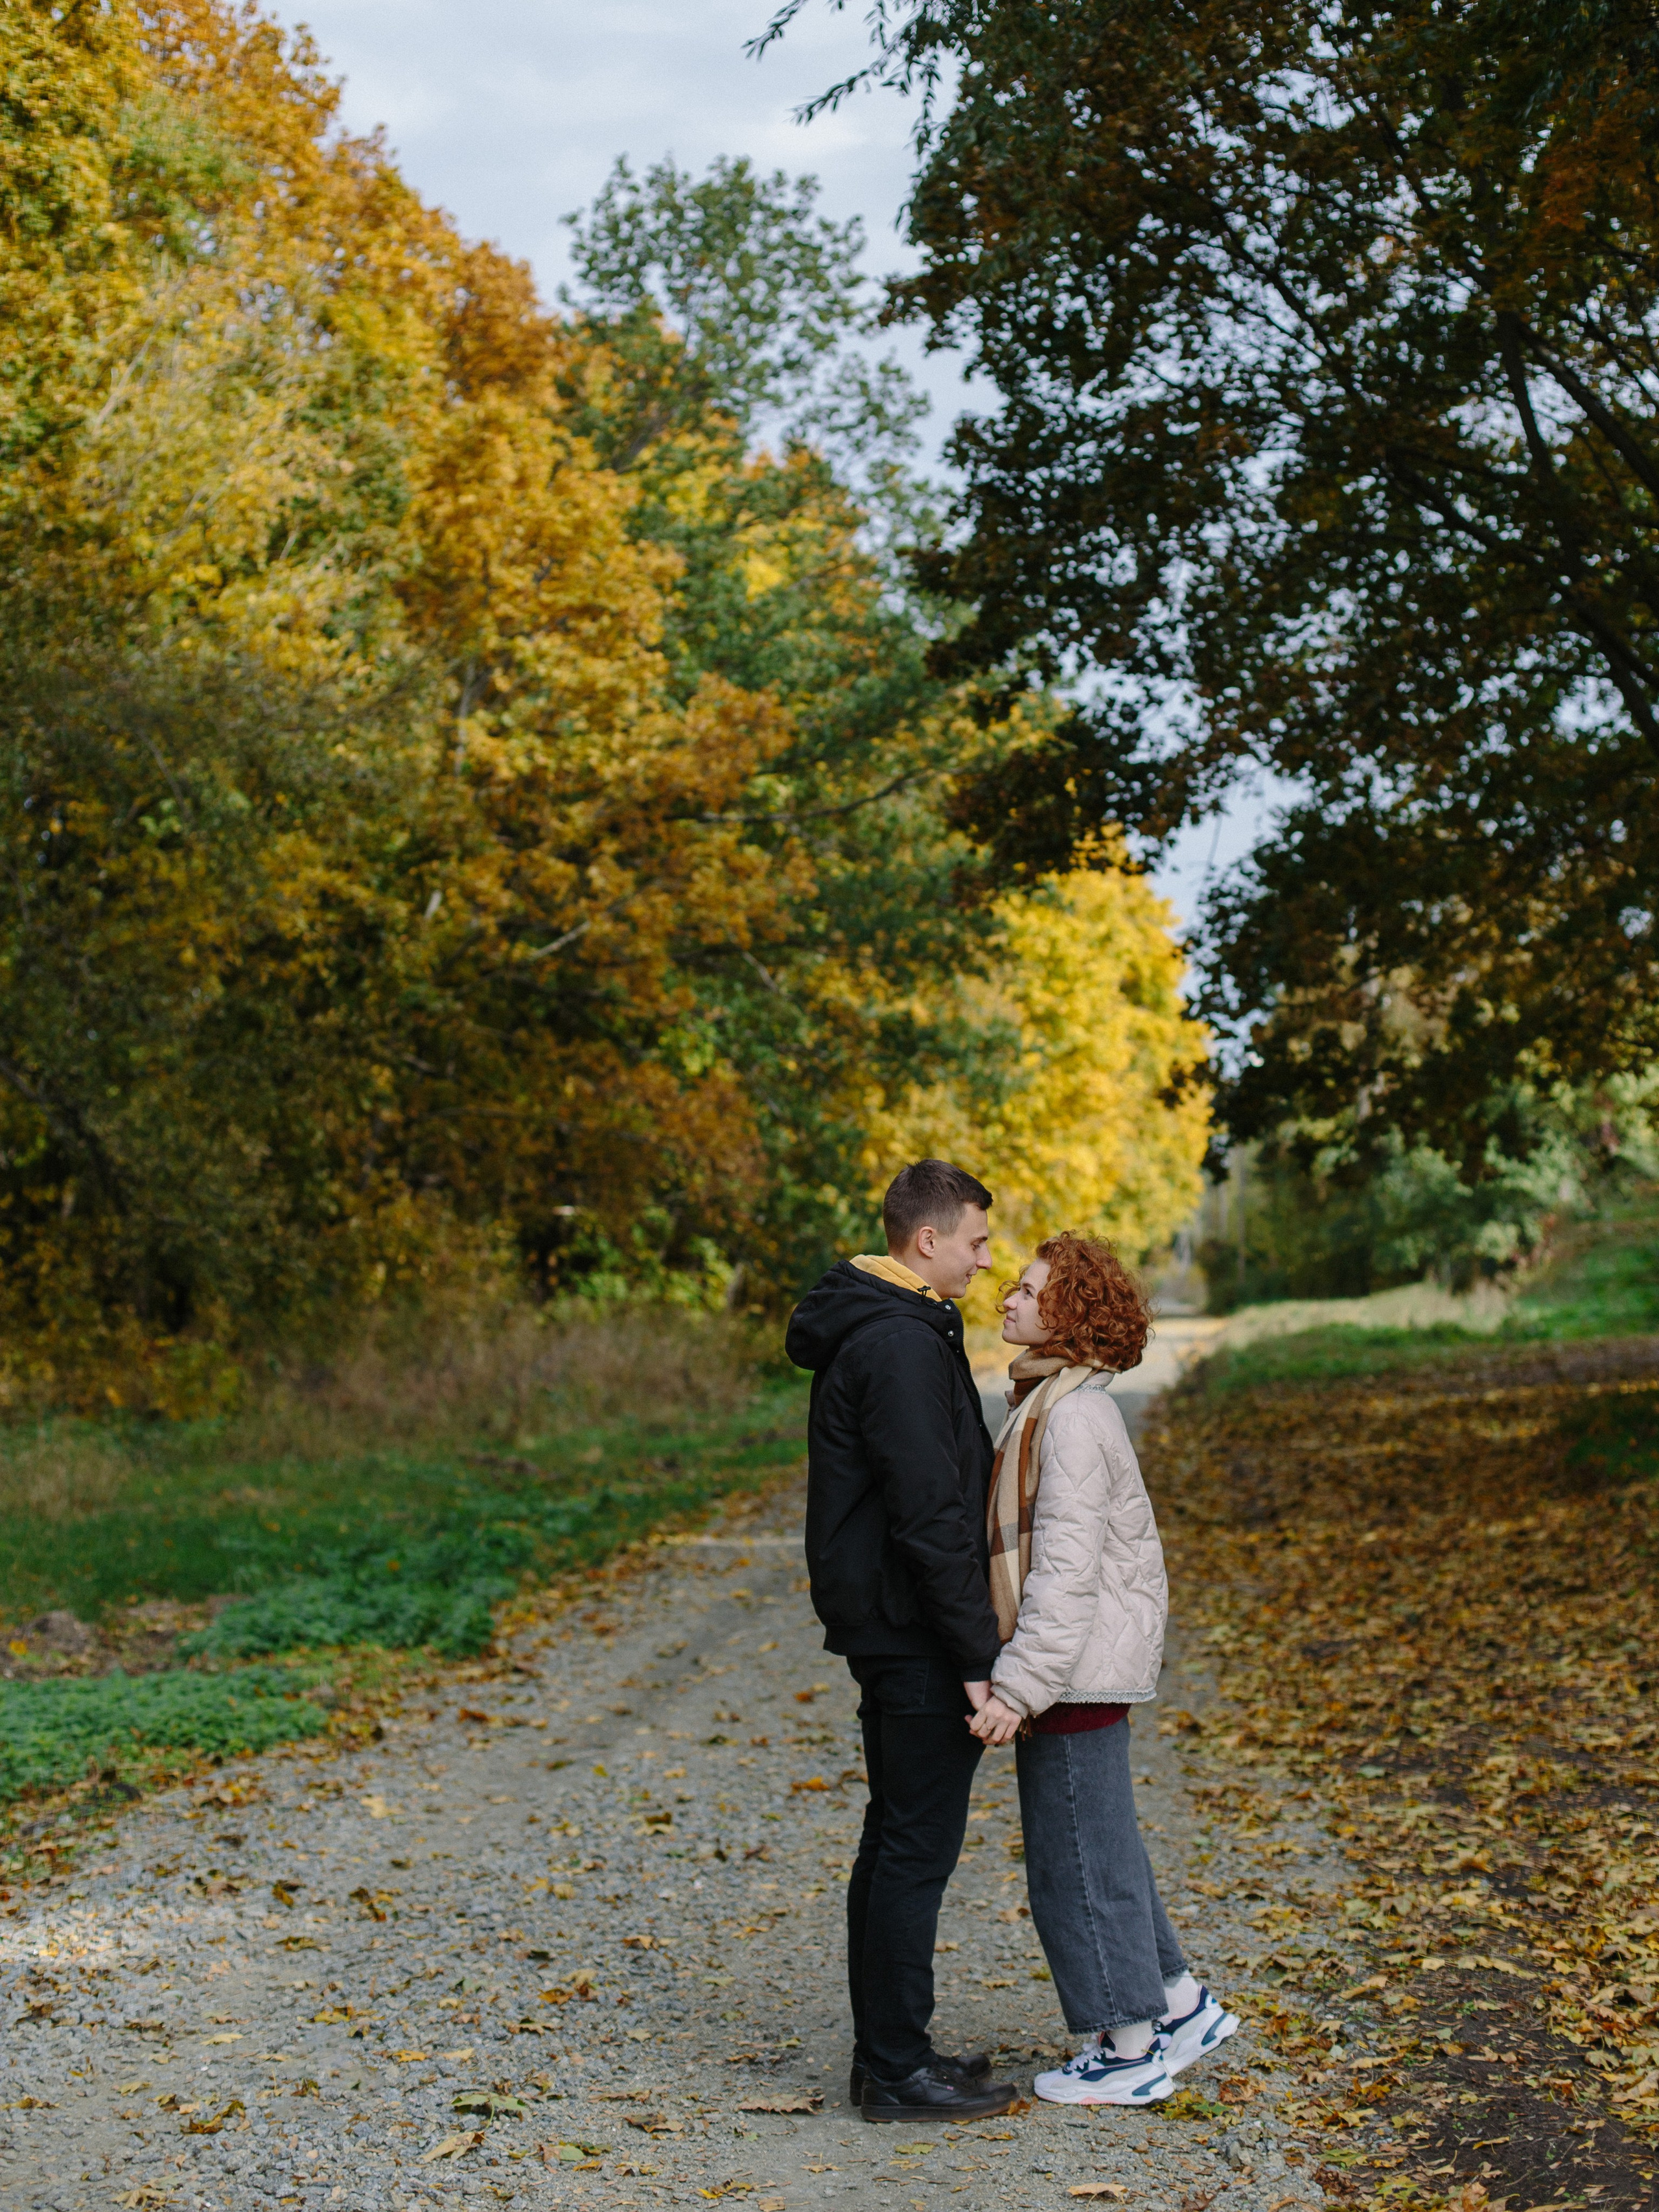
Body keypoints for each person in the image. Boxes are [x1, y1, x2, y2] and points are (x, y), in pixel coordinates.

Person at [968, 1233, 1239, 2104]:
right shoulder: (1060, 1399)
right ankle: (1180, 2004)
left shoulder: (1073, 1417)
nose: (1007, 1297)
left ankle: (1128, 2052)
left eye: (1028, 1288)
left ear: (1070, 1314)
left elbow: (1067, 1569)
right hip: (1082, 1669)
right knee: (1106, 1847)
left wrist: (1018, 1685)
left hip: (1074, 1670)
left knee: (1073, 1861)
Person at [785, 1161, 1019, 2125]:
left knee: (896, 1840)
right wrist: (976, 1656)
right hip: (915, 1632)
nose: (986, 1255)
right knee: (914, 1846)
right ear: (925, 1240)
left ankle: (893, 2051)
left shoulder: (895, 1325)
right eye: (976, 1238)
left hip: (896, 1623)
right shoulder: (896, 1342)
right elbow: (931, 1514)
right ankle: (893, 2068)